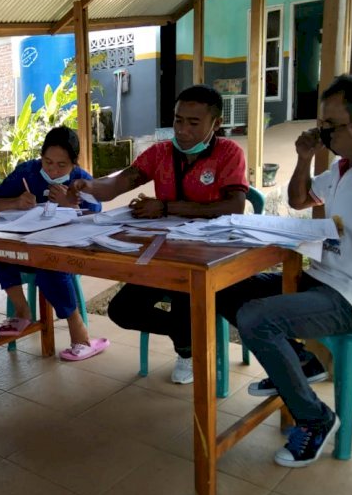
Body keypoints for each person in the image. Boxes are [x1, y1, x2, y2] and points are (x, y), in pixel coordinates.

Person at [216, 74, 352, 468]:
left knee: (258, 318)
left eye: (333, 125)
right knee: (226, 289)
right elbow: (297, 200)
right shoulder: (342, 168)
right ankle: (302, 362)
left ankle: (315, 417)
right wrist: (306, 157)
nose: (324, 132)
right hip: (324, 280)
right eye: (321, 124)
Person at [71, 85, 248, 383]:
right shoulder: (161, 153)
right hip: (163, 252)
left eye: (194, 123)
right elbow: (118, 184)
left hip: (209, 253)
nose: (183, 130)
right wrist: (86, 185)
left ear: (216, 124)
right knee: (123, 310)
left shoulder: (229, 153)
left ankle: (188, 351)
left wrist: (164, 207)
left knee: (184, 292)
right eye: (178, 120)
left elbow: (234, 205)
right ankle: (190, 340)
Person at [0, 126, 110, 360]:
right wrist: (14, 202)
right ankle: (22, 310)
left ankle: (79, 334)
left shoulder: (81, 181)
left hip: (63, 257)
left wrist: (71, 204)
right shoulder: (28, 172)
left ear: (74, 163)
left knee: (50, 264)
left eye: (61, 165)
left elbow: (98, 217)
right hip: (26, 249)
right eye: (47, 162)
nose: (52, 170)